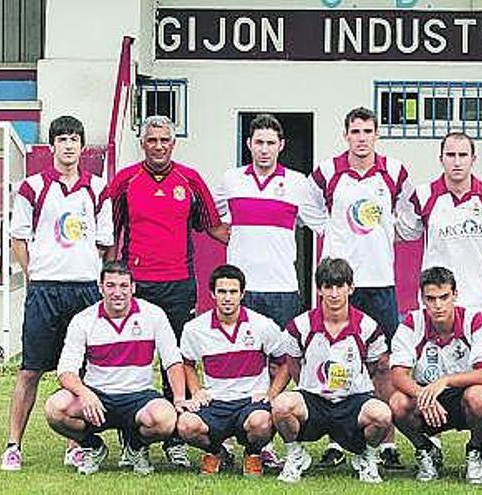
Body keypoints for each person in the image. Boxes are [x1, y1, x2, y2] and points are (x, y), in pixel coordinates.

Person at [107, 115, 227, 467]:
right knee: (134, 362)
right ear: (142, 142)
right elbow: (110, 233)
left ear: (174, 144)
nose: (158, 145)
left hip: (178, 285)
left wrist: (263, 235)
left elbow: (214, 227)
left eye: (165, 140)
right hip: (137, 285)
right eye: (152, 140)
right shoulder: (124, 182)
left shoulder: (189, 180)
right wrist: (109, 278)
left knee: (174, 362)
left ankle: (174, 439)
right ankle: (135, 440)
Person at [1, 116, 113, 471]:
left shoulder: (98, 188)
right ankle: (13, 445)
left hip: (83, 292)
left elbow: (105, 243)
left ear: (83, 147)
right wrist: (35, 275)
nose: (68, 145)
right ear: (51, 147)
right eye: (61, 139)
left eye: (74, 139)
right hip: (45, 291)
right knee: (30, 371)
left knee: (81, 371)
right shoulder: (32, 187)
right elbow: (18, 238)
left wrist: (89, 273)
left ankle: (75, 445)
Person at [308, 107, 410, 468]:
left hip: (380, 281)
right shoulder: (326, 172)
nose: (361, 137)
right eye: (355, 131)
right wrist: (334, 236)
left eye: (368, 131)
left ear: (377, 134)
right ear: (345, 134)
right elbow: (310, 211)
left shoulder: (395, 171)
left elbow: (408, 214)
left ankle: (386, 442)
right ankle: (338, 439)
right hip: (340, 282)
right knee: (336, 356)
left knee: (382, 364)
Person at [43, 262, 186, 475]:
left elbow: (173, 361)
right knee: (55, 408)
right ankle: (93, 446)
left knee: (165, 419)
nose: (117, 292)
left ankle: (135, 448)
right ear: (100, 287)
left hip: (139, 396)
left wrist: (179, 398)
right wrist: (85, 393)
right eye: (110, 286)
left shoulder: (153, 314)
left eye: (123, 286)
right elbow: (65, 371)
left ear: (133, 288)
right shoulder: (83, 320)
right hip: (98, 397)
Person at [272, 258, 393, 484]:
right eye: (328, 286)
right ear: (319, 290)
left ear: (351, 288)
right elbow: (293, 364)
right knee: (281, 406)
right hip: (314, 400)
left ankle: (367, 457)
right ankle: (295, 455)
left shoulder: (368, 326)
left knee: (382, 415)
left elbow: (374, 367)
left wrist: (352, 386)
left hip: (353, 400)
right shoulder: (300, 326)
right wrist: (311, 387)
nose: (334, 293)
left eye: (340, 286)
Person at [214, 113, 327, 328]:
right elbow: (209, 217)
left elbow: (324, 226)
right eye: (259, 142)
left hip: (282, 289)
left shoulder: (298, 183)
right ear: (249, 144)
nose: (264, 149)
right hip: (241, 289)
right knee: (244, 358)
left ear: (281, 145)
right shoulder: (231, 180)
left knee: (284, 359)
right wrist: (232, 238)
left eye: (270, 143)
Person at [176, 264, 290, 476]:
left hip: (250, 402)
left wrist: (271, 395)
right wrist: (197, 391)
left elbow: (286, 362)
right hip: (215, 403)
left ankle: (253, 453)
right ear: (212, 294)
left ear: (242, 294)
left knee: (261, 422)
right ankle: (216, 452)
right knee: (185, 425)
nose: (227, 298)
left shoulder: (262, 325)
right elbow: (187, 364)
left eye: (233, 292)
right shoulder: (195, 329)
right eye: (221, 292)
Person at [388, 266, 482, 484]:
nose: (438, 305)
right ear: (422, 298)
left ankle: (475, 451)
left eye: (444, 297)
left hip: (464, 398)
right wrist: (423, 395)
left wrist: (445, 381)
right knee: (397, 402)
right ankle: (426, 451)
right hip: (427, 400)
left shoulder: (474, 320)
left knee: (480, 396)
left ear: (455, 295)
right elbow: (397, 375)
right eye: (431, 298)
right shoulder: (412, 323)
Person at [397, 132, 482, 329]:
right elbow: (404, 232)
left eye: (463, 155)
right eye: (451, 155)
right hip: (436, 303)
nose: (457, 162)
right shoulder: (423, 195)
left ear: (473, 159)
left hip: (479, 302)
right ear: (441, 159)